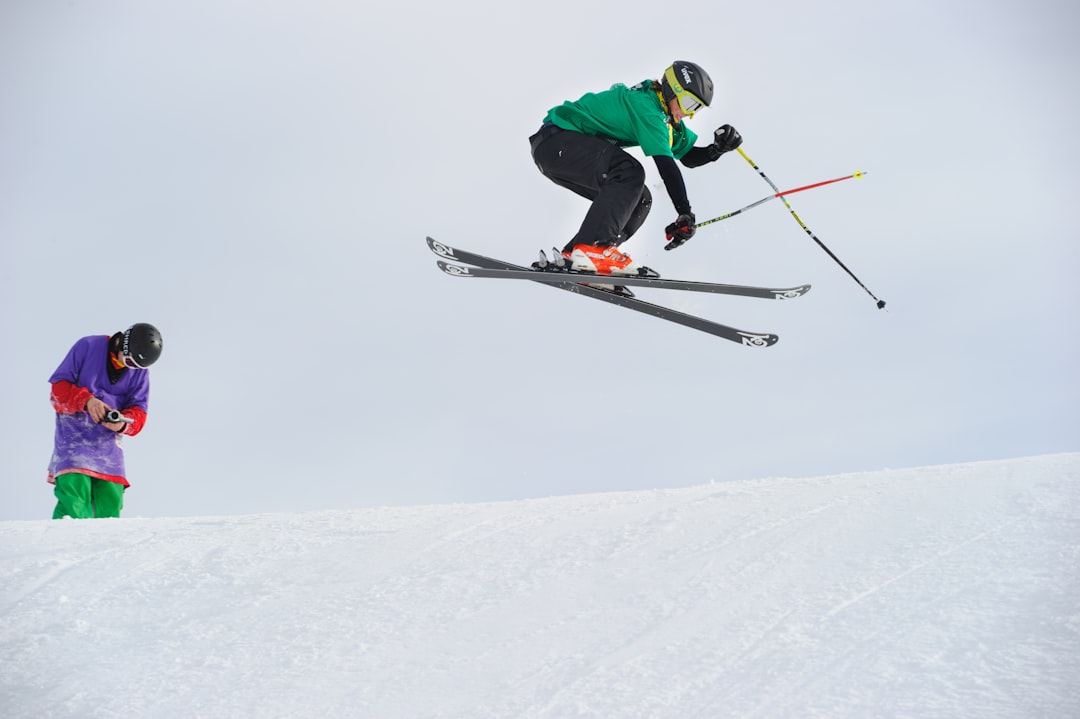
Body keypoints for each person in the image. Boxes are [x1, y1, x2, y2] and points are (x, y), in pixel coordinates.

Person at [529, 60, 743, 277]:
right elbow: (666, 166)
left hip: (560, 153)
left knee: (640, 199)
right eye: (689, 103)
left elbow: (687, 157)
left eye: (696, 108)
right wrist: (684, 212)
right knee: (629, 171)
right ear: (673, 90)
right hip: (557, 142)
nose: (690, 114)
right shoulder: (648, 108)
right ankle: (593, 250)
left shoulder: (665, 120)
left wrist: (716, 150)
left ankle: (577, 257)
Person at [47, 322, 163, 519]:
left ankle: (104, 548)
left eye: (136, 366)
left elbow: (139, 413)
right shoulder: (88, 346)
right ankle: (67, 546)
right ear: (122, 345)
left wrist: (124, 423)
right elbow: (58, 390)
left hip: (109, 448)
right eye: (129, 361)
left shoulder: (139, 372)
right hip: (75, 442)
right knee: (74, 502)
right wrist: (87, 401)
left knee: (110, 505)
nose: (130, 367)